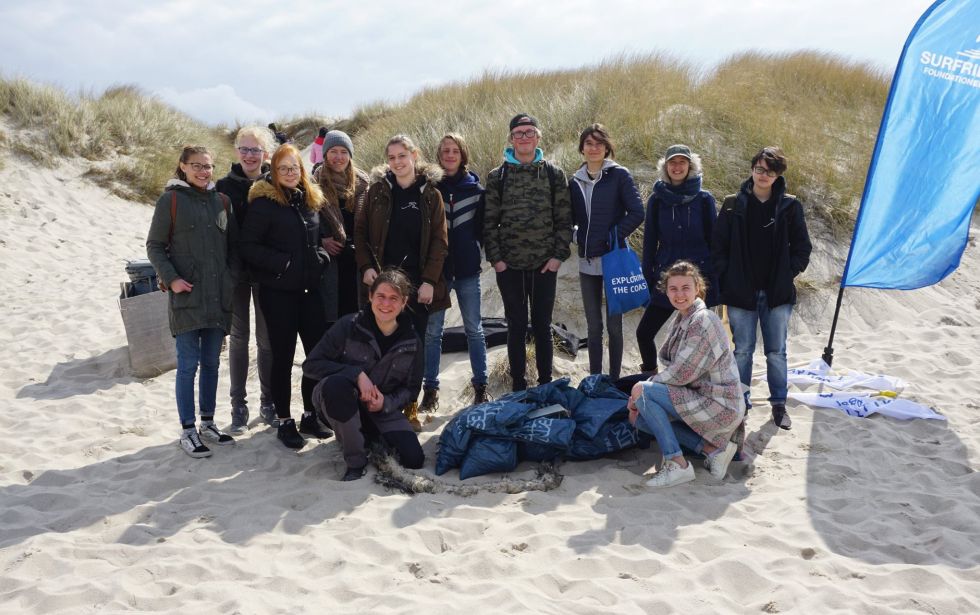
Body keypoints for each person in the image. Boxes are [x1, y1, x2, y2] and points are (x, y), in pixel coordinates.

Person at [240, 143, 333, 449]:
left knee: (316, 355)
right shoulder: (264, 203)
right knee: (283, 357)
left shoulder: (310, 200)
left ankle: (310, 414)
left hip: (310, 291)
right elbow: (249, 247)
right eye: (284, 168)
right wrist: (284, 264)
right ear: (274, 172)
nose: (291, 173)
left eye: (295, 168)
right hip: (278, 293)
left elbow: (317, 241)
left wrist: (321, 259)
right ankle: (284, 421)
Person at [146, 146, 237, 458]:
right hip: (187, 298)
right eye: (196, 165)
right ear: (182, 167)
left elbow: (233, 249)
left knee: (212, 363)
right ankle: (187, 430)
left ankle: (208, 423)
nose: (203, 171)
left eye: (208, 166)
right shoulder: (170, 200)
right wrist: (171, 279)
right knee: (188, 365)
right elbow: (154, 246)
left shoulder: (221, 201)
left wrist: (230, 279)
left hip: (218, 298)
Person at [712, 146, 811, 430]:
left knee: (776, 351)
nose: (763, 175)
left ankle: (779, 405)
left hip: (777, 294)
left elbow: (803, 248)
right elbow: (719, 246)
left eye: (769, 170)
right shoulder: (733, 204)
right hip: (741, 293)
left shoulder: (790, 206)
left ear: (778, 174)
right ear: (752, 169)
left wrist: (787, 273)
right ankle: (741, 405)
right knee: (742, 350)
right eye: (759, 168)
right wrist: (728, 276)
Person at [355, 135, 449, 429]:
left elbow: (439, 241)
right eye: (392, 157)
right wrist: (367, 267)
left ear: (414, 155)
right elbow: (359, 234)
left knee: (414, 348)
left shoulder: (431, 194)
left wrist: (430, 282)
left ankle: (409, 408)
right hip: (382, 288)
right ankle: (376, 407)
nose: (397, 162)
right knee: (378, 347)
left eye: (402, 156)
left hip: (416, 289)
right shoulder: (376, 192)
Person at [626, 261, 743, 488]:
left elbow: (681, 373)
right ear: (666, 291)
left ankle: (677, 464)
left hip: (720, 404)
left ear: (697, 288)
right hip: (700, 398)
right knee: (638, 418)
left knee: (642, 392)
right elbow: (677, 372)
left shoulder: (703, 320)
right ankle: (714, 450)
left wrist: (643, 388)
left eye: (685, 288)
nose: (679, 294)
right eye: (673, 289)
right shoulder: (683, 317)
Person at [305, 268, 425, 481]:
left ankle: (364, 435)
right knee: (336, 388)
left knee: (414, 459)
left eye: (393, 298)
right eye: (380, 296)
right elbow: (311, 365)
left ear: (404, 302)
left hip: (379, 409)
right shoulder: (348, 326)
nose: (386, 304)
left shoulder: (412, 341)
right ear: (370, 296)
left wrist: (385, 403)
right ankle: (355, 461)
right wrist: (356, 374)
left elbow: (412, 389)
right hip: (338, 399)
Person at [484, 113, 572, 391]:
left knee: (543, 327)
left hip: (545, 265)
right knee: (516, 327)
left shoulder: (553, 173)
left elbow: (564, 220)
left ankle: (546, 384)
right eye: (519, 133)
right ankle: (518, 387)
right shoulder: (498, 176)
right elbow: (488, 223)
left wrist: (558, 256)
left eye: (529, 132)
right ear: (511, 139)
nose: (524, 137)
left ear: (538, 137)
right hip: (509, 268)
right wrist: (497, 260)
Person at [420, 133, 489, 412]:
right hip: (437, 274)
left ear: (463, 155)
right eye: (445, 151)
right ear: (438, 155)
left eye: (454, 151)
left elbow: (484, 230)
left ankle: (481, 388)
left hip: (468, 271)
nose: (449, 155)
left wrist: (478, 253)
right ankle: (430, 391)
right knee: (433, 332)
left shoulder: (476, 189)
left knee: (475, 330)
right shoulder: (429, 187)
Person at [569, 123, 644, 380]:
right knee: (593, 327)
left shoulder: (619, 175)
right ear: (582, 148)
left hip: (613, 261)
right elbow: (569, 219)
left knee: (614, 326)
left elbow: (637, 212)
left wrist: (613, 236)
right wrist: (576, 234)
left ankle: (613, 379)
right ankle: (594, 379)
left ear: (607, 147)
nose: (593, 148)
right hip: (586, 262)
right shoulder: (575, 180)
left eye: (599, 143)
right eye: (589, 143)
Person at [637, 144, 719, 376]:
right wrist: (648, 274)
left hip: (700, 280)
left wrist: (715, 276)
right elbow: (650, 241)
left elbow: (714, 241)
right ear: (665, 167)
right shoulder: (657, 200)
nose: (677, 167)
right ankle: (650, 378)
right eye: (672, 162)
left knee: (702, 339)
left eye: (682, 162)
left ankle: (704, 382)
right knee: (644, 333)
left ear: (690, 166)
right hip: (667, 277)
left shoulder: (704, 199)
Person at [215, 125, 276, 432]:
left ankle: (268, 402)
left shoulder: (274, 181)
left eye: (256, 150)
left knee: (267, 341)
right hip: (236, 274)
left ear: (265, 153)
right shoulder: (224, 186)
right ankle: (238, 405)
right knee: (239, 339)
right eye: (244, 149)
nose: (250, 155)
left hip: (266, 275)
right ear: (237, 150)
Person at [315, 129, 369, 323]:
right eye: (333, 151)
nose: (339, 157)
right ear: (325, 154)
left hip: (359, 261)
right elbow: (307, 222)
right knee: (335, 322)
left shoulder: (364, 184)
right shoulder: (314, 185)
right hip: (331, 265)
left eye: (344, 151)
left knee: (360, 319)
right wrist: (322, 239)